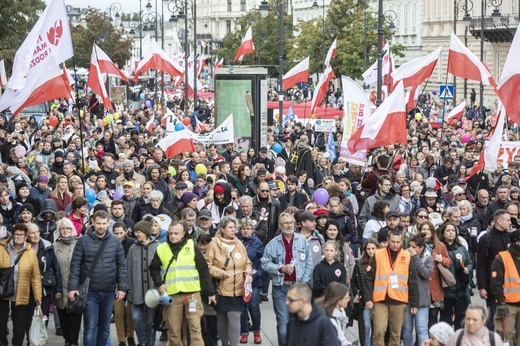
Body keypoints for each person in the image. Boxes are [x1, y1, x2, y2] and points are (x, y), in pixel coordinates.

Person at [149, 221, 217, 346]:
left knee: (195, 329)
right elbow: (153, 268)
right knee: (174, 331)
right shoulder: (161, 248)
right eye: (170, 233)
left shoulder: (191, 245)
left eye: (176, 233)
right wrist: (159, 284)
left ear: (183, 234)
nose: (173, 236)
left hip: (192, 294)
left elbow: (203, 269)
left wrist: (210, 292)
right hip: (172, 295)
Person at [67, 210, 129, 345]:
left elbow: (121, 266)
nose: (101, 226)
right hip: (90, 292)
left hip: (109, 291)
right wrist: (72, 287)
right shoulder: (83, 241)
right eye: (98, 223)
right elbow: (75, 266)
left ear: (108, 224)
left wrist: (123, 288)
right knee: (90, 328)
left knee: (104, 328)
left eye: (104, 223)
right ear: (93, 223)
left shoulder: (115, 242)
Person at [261, 212, 313, 346]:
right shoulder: (273, 244)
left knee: (299, 322)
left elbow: (309, 263)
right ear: (280, 225)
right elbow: (265, 263)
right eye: (285, 223)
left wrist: (304, 283)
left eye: (291, 223)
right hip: (281, 289)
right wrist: (280, 268)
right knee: (283, 323)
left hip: (298, 288)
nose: (289, 225)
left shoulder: (302, 241)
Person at [364, 229, 420, 346]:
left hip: (399, 300)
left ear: (402, 241)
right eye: (393, 241)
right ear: (388, 240)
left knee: (396, 334)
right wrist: (368, 298)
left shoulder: (407, 256)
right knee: (379, 331)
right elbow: (369, 279)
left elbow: (413, 281)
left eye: (398, 242)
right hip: (380, 299)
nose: (395, 245)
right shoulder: (378, 254)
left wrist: (414, 303)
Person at [206, 216, 252, 346]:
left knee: (234, 317)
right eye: (230, 227)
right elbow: (207, 266)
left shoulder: (239, 244)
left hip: (237, 289)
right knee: (222, 319)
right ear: (222, 229)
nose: (233, 230)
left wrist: (248, 274)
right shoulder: (213, 244)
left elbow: (247, 262)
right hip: (220, 288)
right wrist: (220, 273)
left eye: (234, 227)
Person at [0, 223, 42, 346]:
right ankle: (3, 342)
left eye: (21, 235)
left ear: (26, 236)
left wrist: (38, 297)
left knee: (19, 324)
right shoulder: (2, 248)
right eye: (16, 234)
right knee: (1, 322)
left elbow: (35, 277)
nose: (18, 237)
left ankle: (17, 344)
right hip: (2, 292)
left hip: (21, 292)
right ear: (12, 235)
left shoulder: (30, 253)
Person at [477, 209, 511, 330]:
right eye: (507, 220)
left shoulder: (510, 238)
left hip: (510, 285)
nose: (510, 222)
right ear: (499, 221)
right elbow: (480, 264)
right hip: (492, 285)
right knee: (492, 318)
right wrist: (481, 286)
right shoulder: (486, 239)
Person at [126, 220, 159, 346]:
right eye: (135, 231)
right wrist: (128, 286)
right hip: (136, 290)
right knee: (136, 318)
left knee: (150, 321)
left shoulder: (157, 247)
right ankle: (142, 341)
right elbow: (127, 267)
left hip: (152, 290)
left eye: (139, 231)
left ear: (146, 232)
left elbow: (161, 268)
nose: (136, 234)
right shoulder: (133, 249)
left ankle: (150, 343)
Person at [26, 222, 63, 328]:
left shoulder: (47, 246)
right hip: (28, 288)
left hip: (45, 288)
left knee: (43, 316)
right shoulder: (24, 247)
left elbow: (56, 268)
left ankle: (41, 339)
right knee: (29, 317)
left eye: (37, 232)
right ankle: (31, 340)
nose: (36, 235)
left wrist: (58, 289)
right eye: (32, 233)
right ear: (27, 235)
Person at [438, 222, 473, 329]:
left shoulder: (461, 248)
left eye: (453, 230)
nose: (451, 233)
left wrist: (467, 269)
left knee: (461, 316)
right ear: (443, 233)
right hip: (445, 289)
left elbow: (470, 262)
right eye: (448, 230)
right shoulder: (439, 248)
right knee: (445, 318)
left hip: (460, 288)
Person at [53, 218, 82, 346]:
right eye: (62, 229)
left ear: (72, 229)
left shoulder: (79, 243)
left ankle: (74, 342)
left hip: (75, 287)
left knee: (74, 317)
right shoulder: (55, 245)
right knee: (63, 316)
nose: (65, 231)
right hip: (59, 287)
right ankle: (67, 340)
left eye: (68, 228)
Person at [402, 234, 434, 346]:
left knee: (421, 330)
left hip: (421, 300)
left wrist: (415, 257)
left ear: (421, 248)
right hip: (406, 298)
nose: (411, 249)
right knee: (406, 329)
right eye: (410, 246)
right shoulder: (405, 257)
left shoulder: (429, 259)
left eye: (414, 247)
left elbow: (425, 273)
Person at [419, 221, 452, 328]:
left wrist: (442, 259)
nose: (426, 231)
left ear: (432, 231)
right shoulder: (416, 244)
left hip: (435, 287)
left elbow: (448, 262)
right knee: (421, 320)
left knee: (433, 318)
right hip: (420, 286)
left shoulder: (439, 245)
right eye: (423, 229)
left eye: (428, 229)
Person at [490, 229, 520, 345]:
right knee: (506, 336)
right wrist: (501, 302)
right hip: (507, 305)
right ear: (515, 242)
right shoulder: (501, 258)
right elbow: (495, 283)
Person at [237, 218, 264, 344]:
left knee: (253, 306)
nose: (246, 231)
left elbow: (263, 262)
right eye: (243, 228)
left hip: (254, 280)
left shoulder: (257, 243)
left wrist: (257, 274)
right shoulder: (236, 241)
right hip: (239, 281)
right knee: (242, 308)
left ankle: (257, 331)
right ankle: (244, 333)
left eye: (248, 228)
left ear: (252, 230)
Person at [351, 239, 380, 346]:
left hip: (379, 299)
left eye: (373, 248)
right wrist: (356, 293)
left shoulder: (382, 262)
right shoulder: (359, 264)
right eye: (368, 249)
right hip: (364, 300)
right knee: (365, 327)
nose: (371, 251)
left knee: (377, 329)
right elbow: (354, 281)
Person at [112, 222, 136, 346]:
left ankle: (131, 335)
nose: (118, 236)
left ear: (126, 231)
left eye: (121, 233)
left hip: (130, 280)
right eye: (116, 233)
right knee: (118, 311)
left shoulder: (132, 243)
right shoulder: (110, 243)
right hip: (115, 281)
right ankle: (121, 339)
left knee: (130, 311)